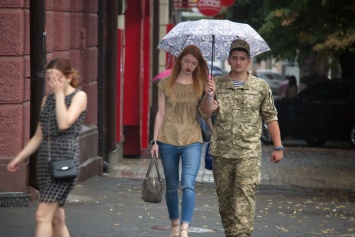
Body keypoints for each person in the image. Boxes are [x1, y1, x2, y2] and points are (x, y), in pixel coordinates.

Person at [199, 39, 284, 237]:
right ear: (228, 60)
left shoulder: (260, 87)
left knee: (245, 198)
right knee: (226, 202)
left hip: (249, 153)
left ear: (249, 61)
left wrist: (278, 147)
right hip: (222, 153)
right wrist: (209, 96)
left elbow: (271, 116)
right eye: (234, 58)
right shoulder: (216, 84)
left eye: (242, 59)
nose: (238, 62)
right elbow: (204, 114)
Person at [7, 57, 87, 237]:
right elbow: (38, 136)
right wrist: (19, 158)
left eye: (57, 77)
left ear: (68, 77)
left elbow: (64, 123)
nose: (52, 82)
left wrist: (59, 94)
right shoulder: (47, 100)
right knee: (57, 220)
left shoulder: (79, 96)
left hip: (65, 163)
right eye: (49, 77)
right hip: (45, 164)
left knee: (41, 215)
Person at [150, 45, 213, 237]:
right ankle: (174, 224)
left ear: (198, 65)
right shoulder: (165, 83)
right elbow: (160, 113)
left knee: (188, 183)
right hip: (167, 139)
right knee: (171, 187)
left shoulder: (202, 83)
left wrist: (210, 95)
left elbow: (205, 114)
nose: (189, 66)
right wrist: (154, 141)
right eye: (186, 61)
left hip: (192, 140)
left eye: (194, 63)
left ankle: (185, 227)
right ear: (180, 61)